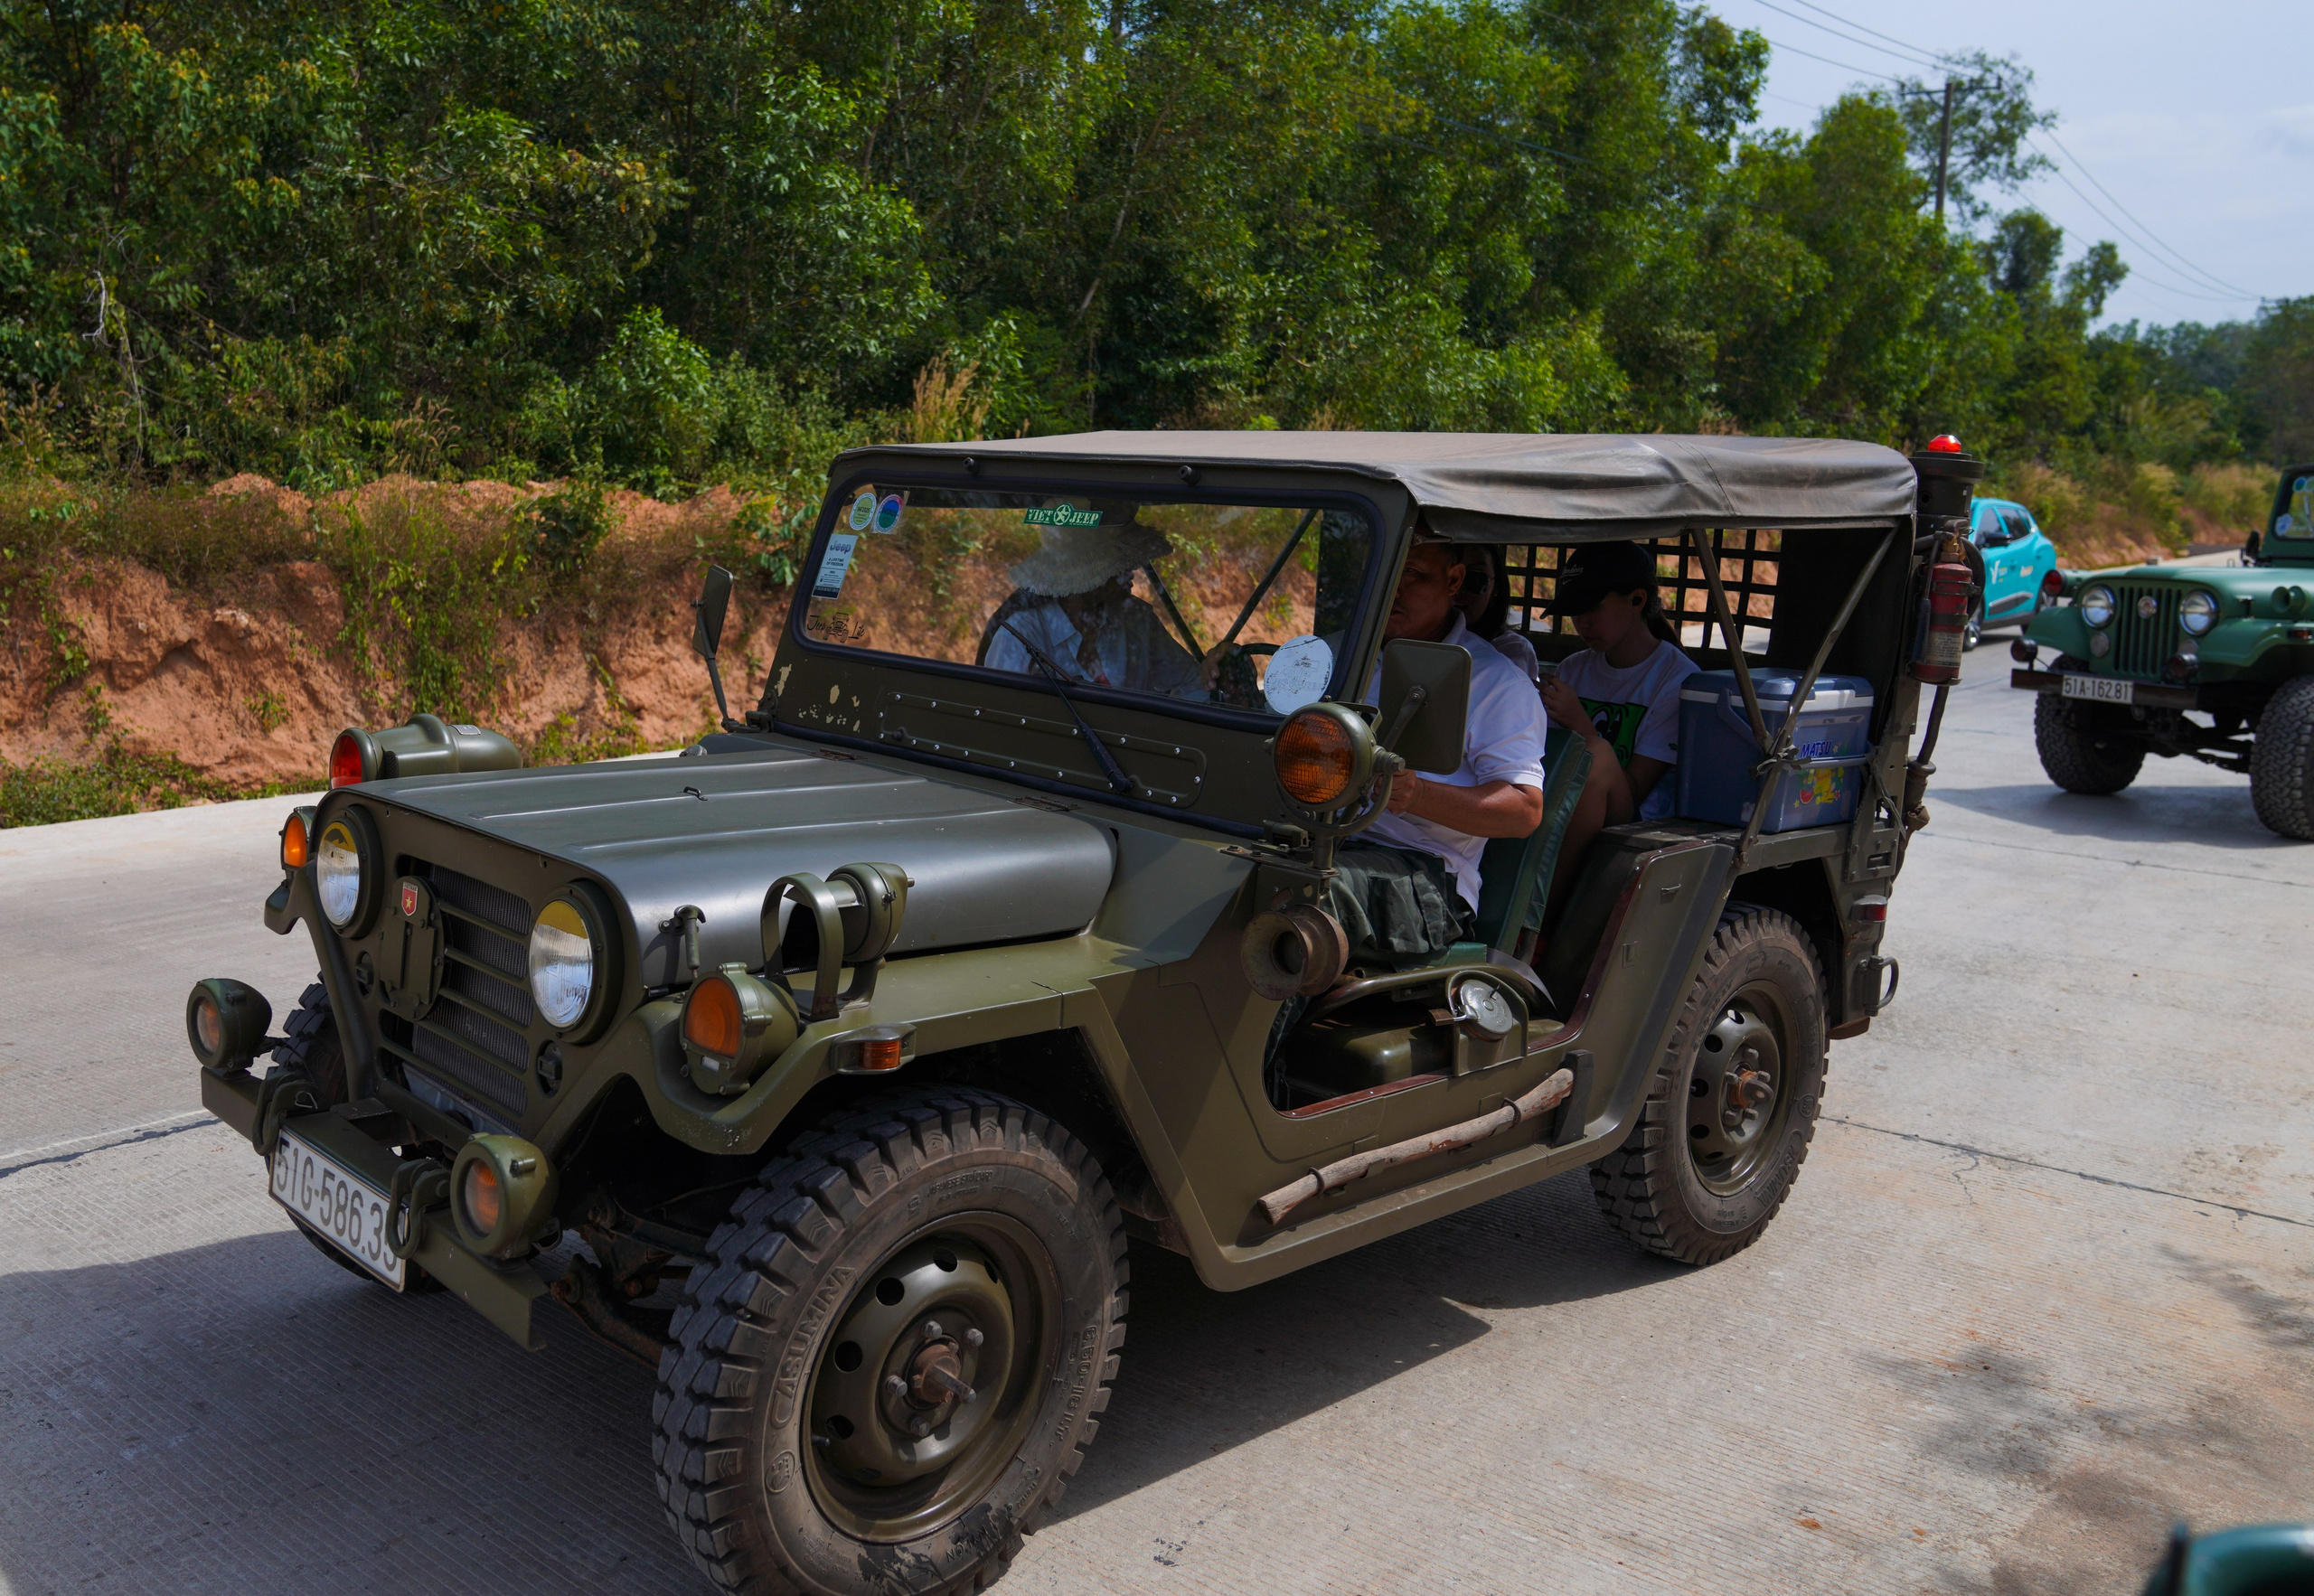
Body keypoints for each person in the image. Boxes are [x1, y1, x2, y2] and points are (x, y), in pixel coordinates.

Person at [1322, 534, 1547, 962]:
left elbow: (1524, 809)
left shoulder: (1495, 682)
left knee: (1307, 895)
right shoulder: (1343, 653)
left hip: (1425, 876)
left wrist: (1417, 795)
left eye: (1412, 573)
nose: (1394, 588)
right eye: (1384, 570)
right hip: (1325, 837)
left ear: (1454, 579)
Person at [1539, 539, 1699, 909]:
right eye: (1574, 612)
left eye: (1593, 608)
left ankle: (1543, 913)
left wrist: (1581, 724)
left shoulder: (1675, 680)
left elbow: (1634, 789)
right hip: (1566, 804)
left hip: (1633, 820)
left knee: (1594, 754)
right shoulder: (1575, 667)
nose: (1582, 623)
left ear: (1637, 601)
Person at [983, 512, 1204, 699]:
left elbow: (1191, 680)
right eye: (1115, 567)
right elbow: (1002, 714)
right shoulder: (1022, 635)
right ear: (1082, 579)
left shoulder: (1135, 618)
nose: (1130, 574)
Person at [1453, 545, 1542, 684]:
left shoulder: (1511, 651)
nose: (1458, 589)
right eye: (1450, 577)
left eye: (1476, 578)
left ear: (1496, 588)